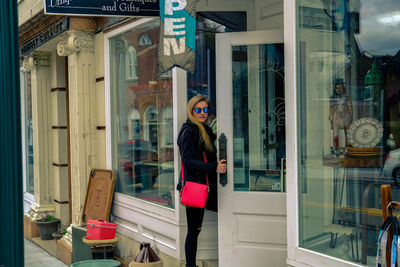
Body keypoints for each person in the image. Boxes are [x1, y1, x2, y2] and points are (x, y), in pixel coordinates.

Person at [177, 95, 227, 267]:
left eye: (205, 110)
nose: (202, 113)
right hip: (196, 188)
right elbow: (188, 161)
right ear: (192, 111)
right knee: (194, 230)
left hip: (205, 187)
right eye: (198, 110)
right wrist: (214, 167)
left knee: (196, 229)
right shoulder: (190, 131)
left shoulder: (203, 129)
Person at [329, 78, 353, 155]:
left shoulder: (347, 97)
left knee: (347, 130)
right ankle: (336, 147)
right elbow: (331, 107)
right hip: (337, 116)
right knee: (335, 131)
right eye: (337, 88)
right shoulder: (332, 97)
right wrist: (331, 115)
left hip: (345, 115)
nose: (338, 90)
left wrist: (351, 116)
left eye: (340, 88)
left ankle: (348, 146)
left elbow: (350, 107)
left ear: (343, 87)